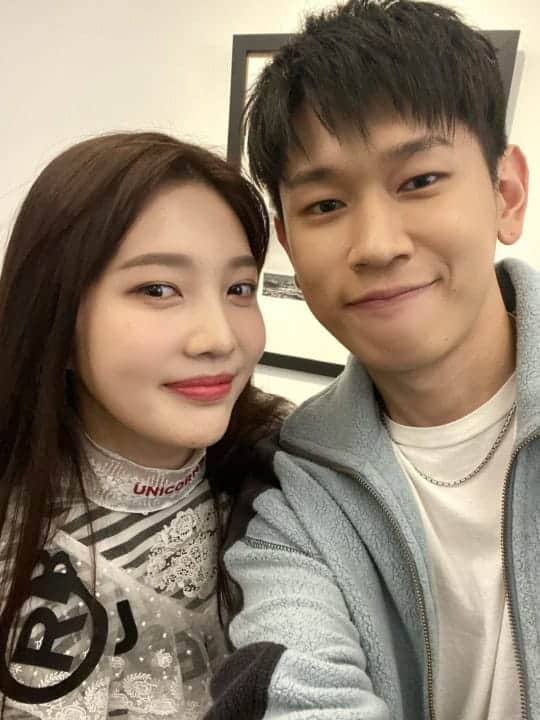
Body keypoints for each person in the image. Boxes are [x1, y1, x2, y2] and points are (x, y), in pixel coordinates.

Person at [206, 1, 536, 719]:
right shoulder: (291, 483)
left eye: (419, 181)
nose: (378, 245)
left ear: (506, 194)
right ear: (289, 245)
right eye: (326, 205)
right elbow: (296, 689)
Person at [0, 131, 289, 719]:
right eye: (158, 289)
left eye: (239, 289)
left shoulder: (286, 491)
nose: (219, 339)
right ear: (57, 316)